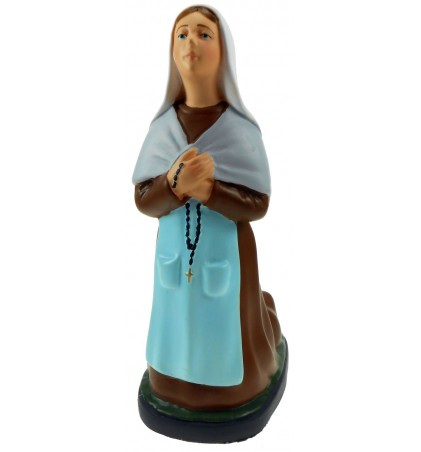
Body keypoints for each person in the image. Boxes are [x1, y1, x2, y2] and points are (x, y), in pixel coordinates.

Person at [132, 5, 288, 442]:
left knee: (226, 326)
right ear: (171, 50)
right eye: (182, 34)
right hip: (173, 255)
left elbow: (257, 203)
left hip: (226, 254)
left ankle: (234, 389)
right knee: (174, 319)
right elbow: (143, 199)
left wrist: (209, 191)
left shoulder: (240, 131)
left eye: (203, 34)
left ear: (224, 53)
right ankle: (169, 384)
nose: (190, 43)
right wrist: (173, 185)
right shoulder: (163, 129)